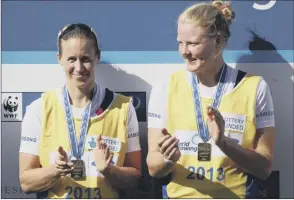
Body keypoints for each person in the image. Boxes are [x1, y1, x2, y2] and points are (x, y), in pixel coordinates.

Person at [147, 0, 275, 198]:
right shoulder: (165, 87)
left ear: (218, 41)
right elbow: (154, 168)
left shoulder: (255, 87)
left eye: (193, 43)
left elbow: (264, 168)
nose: (184, 51)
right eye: (180, 42)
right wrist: (168, 160)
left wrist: (224, 143)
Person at [19, 23, 141, 199]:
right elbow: (26, 182)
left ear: (97, 57)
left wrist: (109, 170)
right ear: (59, 59)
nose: (79, 68)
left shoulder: (123, 108)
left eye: (85, 59)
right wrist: (56, 170)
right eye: (71, 59)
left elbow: (135, 179)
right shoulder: (39, 109)